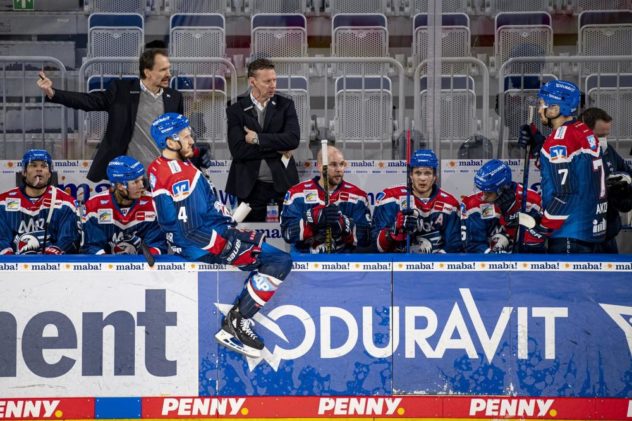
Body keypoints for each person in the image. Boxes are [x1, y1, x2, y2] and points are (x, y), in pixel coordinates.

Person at [148, 113, 293, 359]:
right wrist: (225, 246)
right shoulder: (182, 175)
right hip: (205, 242)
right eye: (186, 137)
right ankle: (237, 322)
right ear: (171, 142)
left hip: (195, 239)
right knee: (279, 261)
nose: (192, 140)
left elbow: (171, 213)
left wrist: (194, 158)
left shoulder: (157, 166)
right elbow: (191, 229)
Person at [36, 48, 190, 181]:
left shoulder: (174, 97)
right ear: (147, 72)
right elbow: (89, 101)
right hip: (127, 175)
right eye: (163, 70)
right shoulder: (121, 90)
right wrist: (53, 93)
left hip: (163, 174)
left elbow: (180, 134)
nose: (169, 74)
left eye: (169, 69)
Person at [518, 80, 607, 253]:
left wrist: (542, 229)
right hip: (589, 227)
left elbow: (565, 194)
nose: (539, 110)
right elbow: (567, 171)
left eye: (542, 104)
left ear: (555, 109)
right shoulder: (583, 130)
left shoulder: (560, 141)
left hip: (568, 231)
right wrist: (538, 144)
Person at [225, 58, 301, 222]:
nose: (273, 85)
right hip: (248, 186)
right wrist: (277, 146)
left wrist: (257, 139)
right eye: (267, 81)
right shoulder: (235, 107)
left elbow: (293, 139)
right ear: (252, 81)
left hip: (282, 182)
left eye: (274, 80)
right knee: (249, 234)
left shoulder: (286, 104)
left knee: (289, 231)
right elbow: (238, 150)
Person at [280, 145, 371, 253]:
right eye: (333, 165)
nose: (339, 169)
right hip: (305, 260)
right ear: (319, 166)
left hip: (344, 261)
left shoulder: (358, 196)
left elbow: (366, 238)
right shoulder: (296, 194)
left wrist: (344, 224)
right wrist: (312, 218)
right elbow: (287, 233)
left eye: (342, 164)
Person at [372, 149, 462, 253]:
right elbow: (377, 246)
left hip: (436, 262)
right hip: (399, 262)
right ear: (411, 175)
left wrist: (438, 259)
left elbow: (454, 244)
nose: (422, 178)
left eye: (427, 173)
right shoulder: (391, 199)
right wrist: (393, 231)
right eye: (418, 173)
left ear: (434, 176)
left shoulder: (450, 204)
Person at [82, 155, 168, 255]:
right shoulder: (95, 205)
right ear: (120, 186)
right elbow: (91, 246)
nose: (142, 186)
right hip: (106, 264)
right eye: (135, 182)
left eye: (142, 180)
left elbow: (158, 244)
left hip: (142, 263)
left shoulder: (153, 203)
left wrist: (146, 256)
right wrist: (108, 262)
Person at [0, 150, 81, 255]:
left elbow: (69, 238)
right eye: (33, 165)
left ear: (49, 173)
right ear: (24, 172)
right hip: (14, 263)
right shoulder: (3, 202)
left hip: (52, 263)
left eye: (44, 166)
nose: (39, 169)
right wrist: (7, 256)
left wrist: (55, 252)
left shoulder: (66, 203)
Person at [579, 107, 632, 253]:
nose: (604, 140)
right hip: (584, 236)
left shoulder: (608, 150)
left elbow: (627, 172)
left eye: (606, 135)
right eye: (600, 135)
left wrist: (624, 187)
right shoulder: (574, 155)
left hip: (608, 233)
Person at [461, 159, 544, 253]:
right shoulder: (473, 204)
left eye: (489, 192)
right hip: (487, 259)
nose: (483, 197)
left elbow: (538, 240)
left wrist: (512, 216)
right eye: (482, 190)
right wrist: (492, 256)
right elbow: (473, 245)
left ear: (502, 188)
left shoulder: (530, 201)